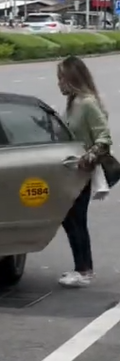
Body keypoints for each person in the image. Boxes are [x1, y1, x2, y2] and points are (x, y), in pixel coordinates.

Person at [57, 56, 112, 288]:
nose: (58, 83)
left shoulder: (87, 103)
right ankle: (82, 268)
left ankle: (84, 270)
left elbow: (104, 137)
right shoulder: (73, 102)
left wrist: (87, 158)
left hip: (82, 173)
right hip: (71, 172)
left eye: (61, 78)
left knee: (75, 219)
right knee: (70, 219)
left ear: (72, 78)